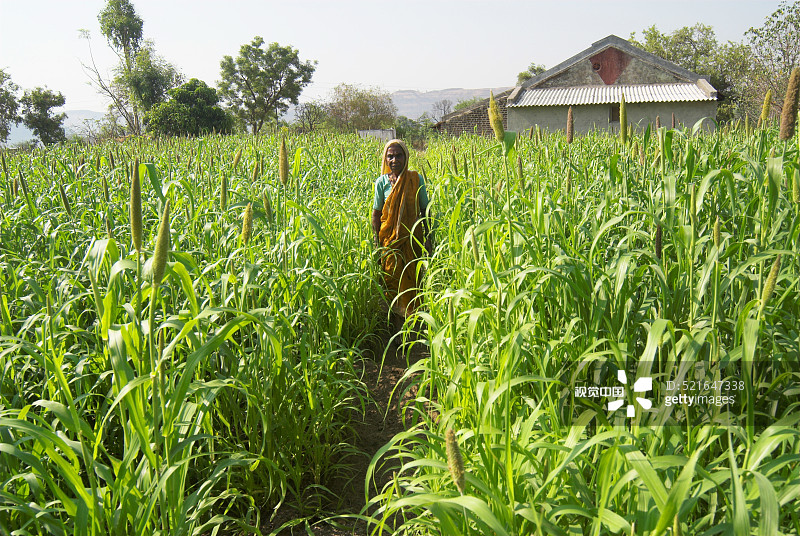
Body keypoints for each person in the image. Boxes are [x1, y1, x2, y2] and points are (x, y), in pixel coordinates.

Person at [371, 139, 430, 321]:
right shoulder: (381, 183)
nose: (394, 160)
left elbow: (425, 210)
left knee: (412, 278)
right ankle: (395, 321)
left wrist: (428, 237)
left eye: (398, 155)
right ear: (385, 159)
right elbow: (376, 214)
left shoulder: (415, 179)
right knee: (391, 278)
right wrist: (377, 243)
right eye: (390, 156)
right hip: (389, 242)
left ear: (406, 157)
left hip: (412, 239)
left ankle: (413, 320)